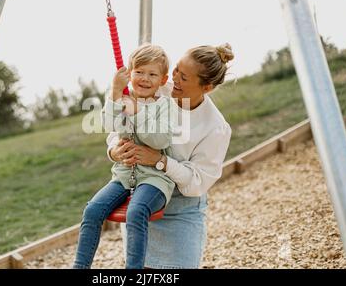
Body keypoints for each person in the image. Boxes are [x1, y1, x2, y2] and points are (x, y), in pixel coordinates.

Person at [107, 44, 234, 268]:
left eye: (183, 77)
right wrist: (114, 151)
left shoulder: (215, 127)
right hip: (143, 201)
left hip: (180, 211)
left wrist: (160, 161)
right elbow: (120, 126)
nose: (174, 79)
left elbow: (197, 183)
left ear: (207, 87)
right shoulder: (156, 88)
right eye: (176, 70)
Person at [73, 44, 178, 269]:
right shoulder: (122, 98)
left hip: (154, 179)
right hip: (123, 177)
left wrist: (137, 112)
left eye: (152, 74)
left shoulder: (165, 105)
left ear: (162, 79)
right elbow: (109, 125)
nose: (145, 78)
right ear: (129, 73)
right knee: (92, 210)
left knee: (136, 211)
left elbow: (160, 141)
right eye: (139, 72)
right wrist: (114, 93)